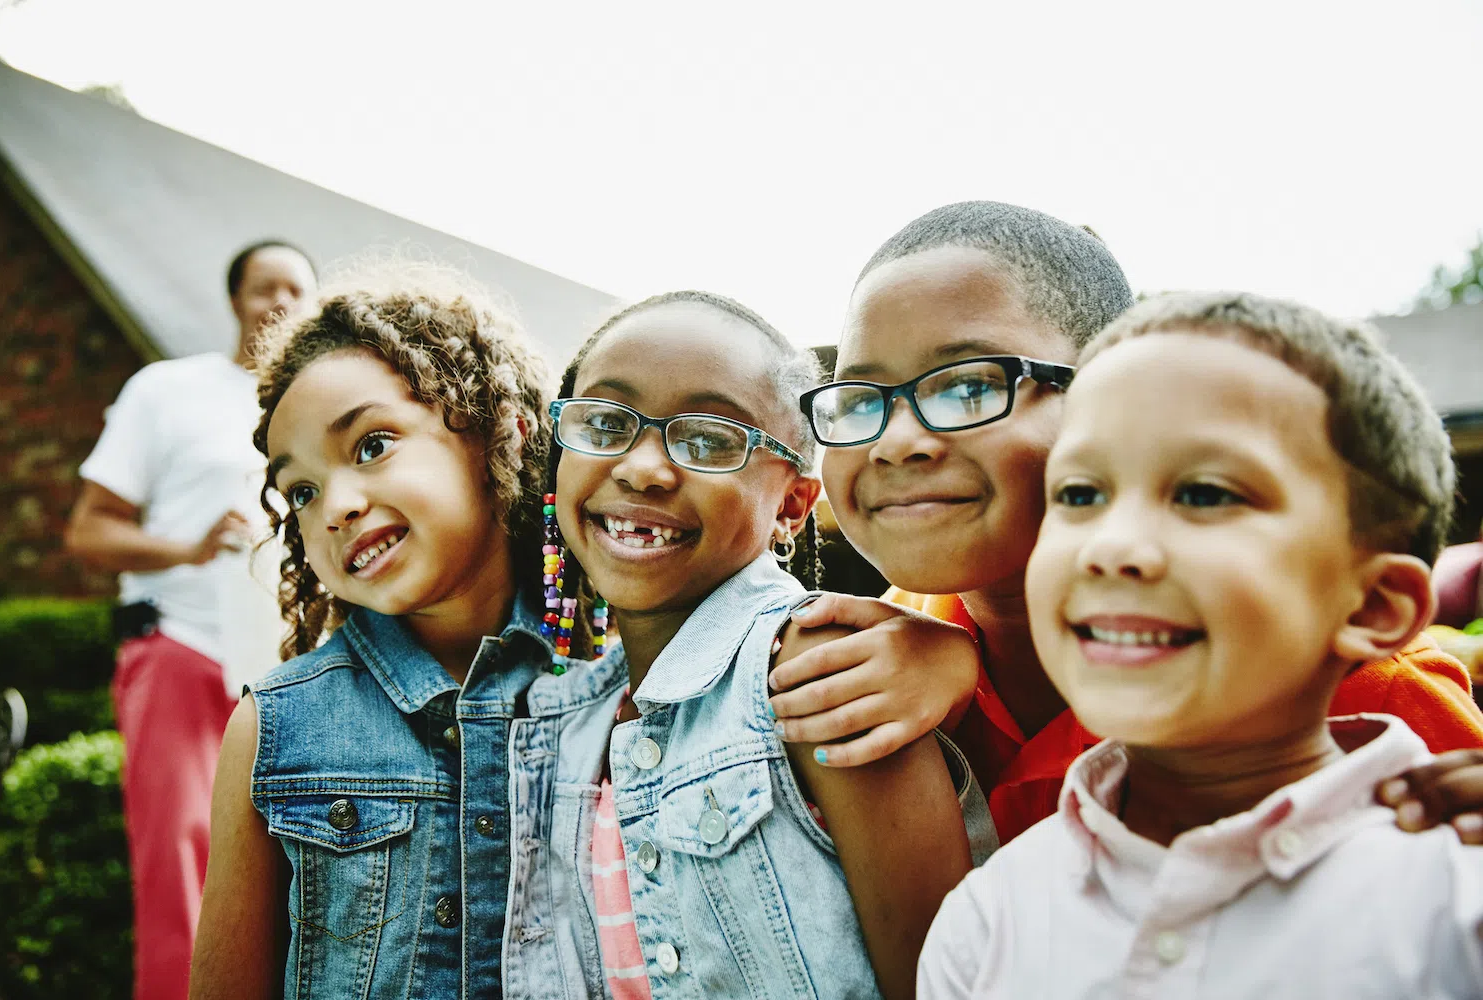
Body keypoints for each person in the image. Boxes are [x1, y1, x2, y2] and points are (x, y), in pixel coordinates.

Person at [768, 201, 1483, 845]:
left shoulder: (1350, 694)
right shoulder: (861, 662)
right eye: (861, 396)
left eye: (968, 385)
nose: (896, 441)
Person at [917, 290, 1483, 998]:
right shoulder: (988, 921)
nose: (1111, 547)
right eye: (1081, 494)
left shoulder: (1456, 891)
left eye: (1206, 494)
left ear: (1373, 604)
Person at [188, 266, 633, 1000]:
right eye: (300, 489)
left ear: (505, 431)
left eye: (370, 446)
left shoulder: (618, 685)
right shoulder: (274, 726)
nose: (336, 506)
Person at [545, 291, 990, 1000]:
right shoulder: (563, 707)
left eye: (710, 440)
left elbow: (943, 986)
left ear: (791, 505)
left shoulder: (821, 670)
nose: (642, 469)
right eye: (604, 423)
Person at [64, 240, 316, 1000]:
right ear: (234, 299)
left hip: (286, 671)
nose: (280, 303)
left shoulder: (317, 408)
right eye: (264, 287)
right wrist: (189, 545)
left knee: (287, 876)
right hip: (177, 647)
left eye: (297, 290)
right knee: (176, 860)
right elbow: (88, 532)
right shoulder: (167, 390)